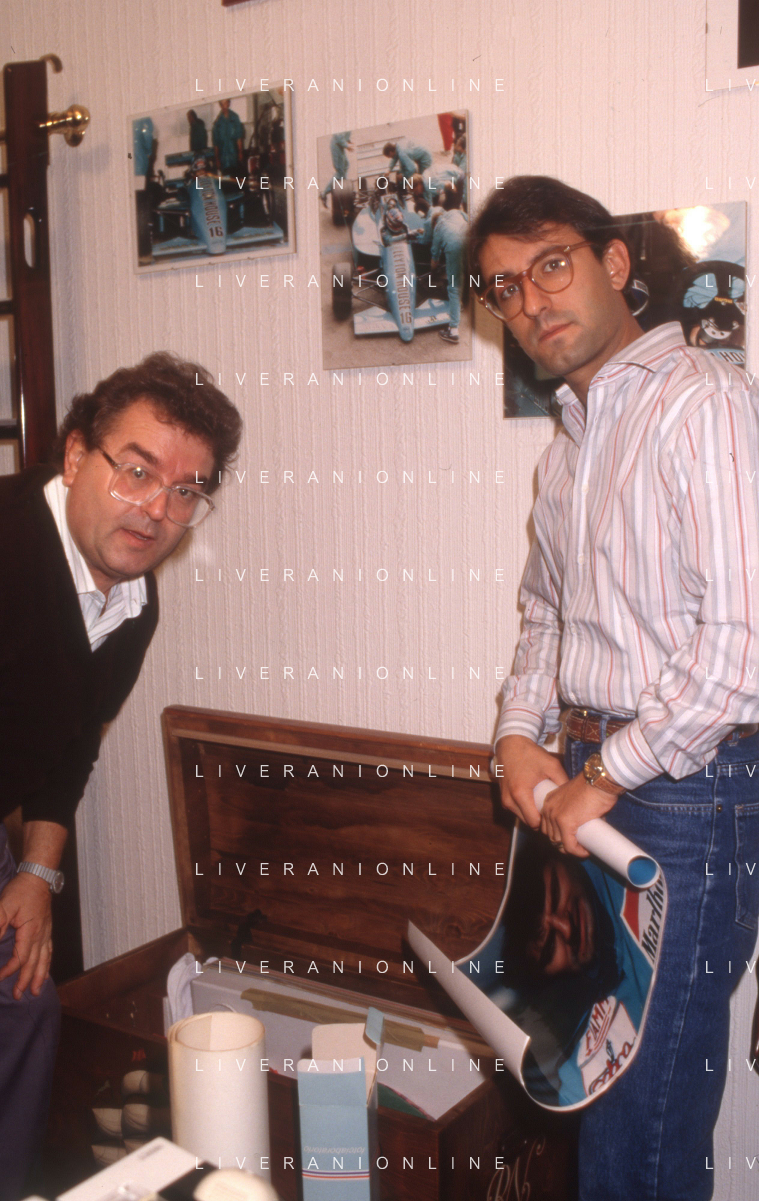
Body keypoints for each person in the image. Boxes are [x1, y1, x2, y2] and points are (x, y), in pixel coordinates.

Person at [469, 174, 759, 1201]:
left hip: (687, 789)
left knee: (644, 1118)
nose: (530, 300)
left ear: (616, 262)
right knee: (588, 1084)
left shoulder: (705, 401)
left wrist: (605, 774)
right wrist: (517, 736)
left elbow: (741, 648)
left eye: (550, 264)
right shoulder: (566, 450)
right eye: (505, 286)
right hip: (590, 779)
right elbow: (544, 618)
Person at [0, 353, 242, 1201]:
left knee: (26, 1000)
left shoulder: (132, 601)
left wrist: (37, 873)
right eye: (136, 471)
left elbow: (72, 746)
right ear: (75, 457)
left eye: (185, 490)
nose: (155, 509)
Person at [431, 183, 468, 344]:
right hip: (471, 242)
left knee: (453, 288)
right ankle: (462, 302)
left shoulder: (439, 225)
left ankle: (453, 331)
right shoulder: (460, 213)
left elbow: (434, 257)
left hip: (455, 248)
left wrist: (433, 270)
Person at [320, 130, 353, 207]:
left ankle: (343, 186)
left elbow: (345, 134)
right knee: (340, 172)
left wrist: (348, 141)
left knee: (346, 165)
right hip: (337, 145)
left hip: (340, 145)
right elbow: (338, 137)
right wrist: (347, 145)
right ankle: (324, 194)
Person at [212, 99, 244, 174]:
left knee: (236, 177)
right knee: (226, 178)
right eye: (222, 104)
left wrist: (240, 153)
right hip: (223, 159)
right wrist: (217, 159)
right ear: (220, 105)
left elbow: (239, 137)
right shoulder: (217, 123)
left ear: (229, 103)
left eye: (225, 103)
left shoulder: (235, 118)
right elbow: (216, 143)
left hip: (235, 157)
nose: (224, 106)